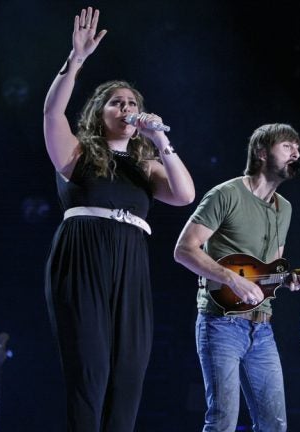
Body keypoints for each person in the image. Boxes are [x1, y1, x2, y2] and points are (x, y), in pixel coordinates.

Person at [42, 7, 195, 432]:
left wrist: (160, 140)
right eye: (117, 102)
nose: (126, 107)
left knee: (128, 372)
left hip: (131, 258)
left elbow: (184, 195)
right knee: (89, 370)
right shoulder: (78, 153)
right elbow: (52, 115)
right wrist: (75, 62)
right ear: (100, 111)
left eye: (132, 102)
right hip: (84, 250)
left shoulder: (146, 166)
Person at [173, 123, 300, 431]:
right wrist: (231, 279)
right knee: (223, 422)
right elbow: (184, 249)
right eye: (288, 146)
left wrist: (288, 279)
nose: (297, 153)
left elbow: (270, 271)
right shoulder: (226, 194)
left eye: (297, 148)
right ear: (262, 152)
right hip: (221, 324)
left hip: (262, 329)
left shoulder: (284, 208)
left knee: (274, 425)